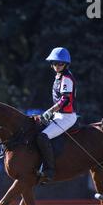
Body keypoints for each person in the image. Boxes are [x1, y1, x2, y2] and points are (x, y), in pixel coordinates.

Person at [35, 47, 77, 183]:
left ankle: (49, 171)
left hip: (67, 117)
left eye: (60, 64)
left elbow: (65, 100)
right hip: (58, 115)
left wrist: (49, 111)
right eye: (55, 63)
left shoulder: (66, 78)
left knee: (42, 137)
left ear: (66, 64)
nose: (57, 66)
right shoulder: (58, 76)